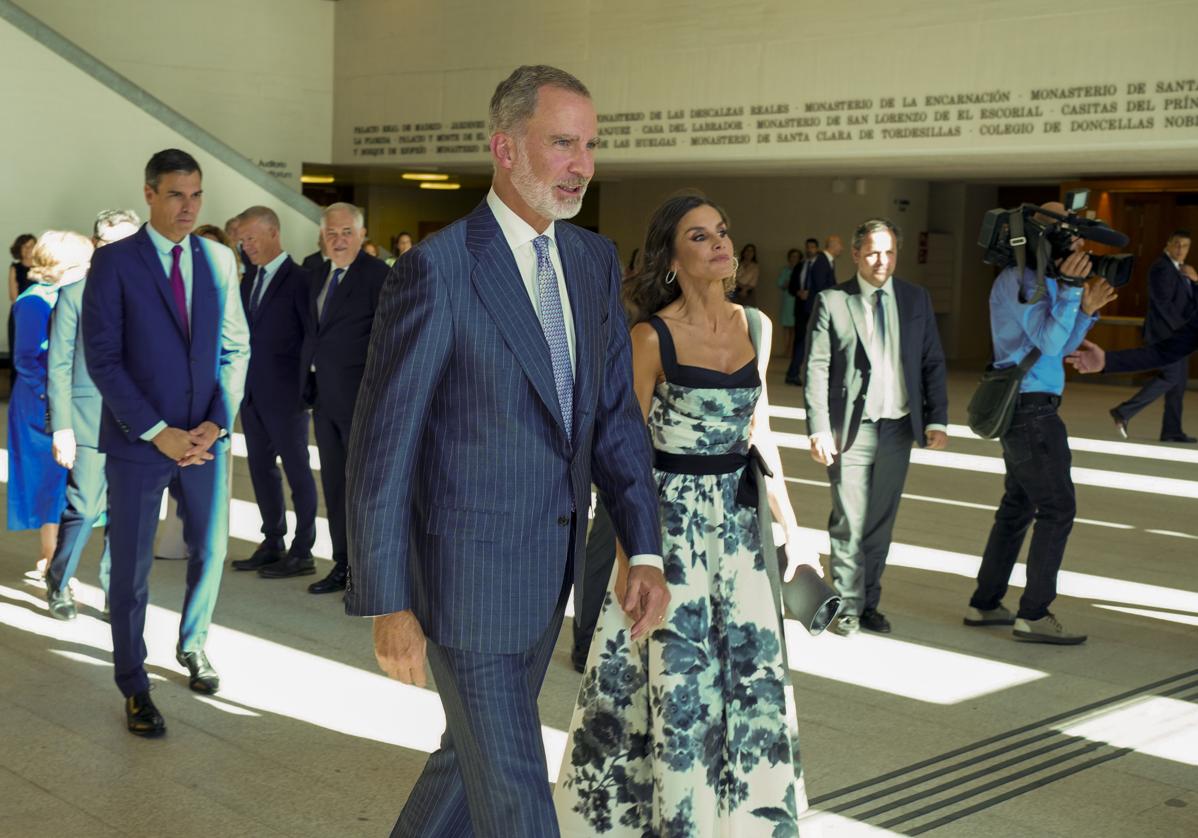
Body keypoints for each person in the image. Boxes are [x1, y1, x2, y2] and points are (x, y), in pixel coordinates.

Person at [345, 65, 665, 837]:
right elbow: (382, 449)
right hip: (464, 588)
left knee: (469, 764)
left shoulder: (590, 263)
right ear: (505, 148)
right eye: (562, 143)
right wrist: (389, 601)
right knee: (519, 804)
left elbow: (615, 420)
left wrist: (644, 549)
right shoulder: (440, 269)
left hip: (543, 579)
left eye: (590, 145)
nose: (581, 164)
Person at [555, 194, 814, 835]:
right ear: (672, 259)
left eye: (722, 231)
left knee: (745, 682)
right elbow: (622, 455)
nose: (720, 244)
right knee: (677, 689)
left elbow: (762, 433)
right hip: (669, 532)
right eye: (700, 236)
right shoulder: (650, 337)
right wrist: (629, 561)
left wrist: (794, 532)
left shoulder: (757, 325)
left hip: (739, 536)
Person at [83, 148, 250, 736]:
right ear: (150, 194)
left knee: (209, 549)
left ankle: (194, 645)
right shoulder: (115, 263)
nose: (189, 206)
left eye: (197, 195)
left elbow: (235, 348)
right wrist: (159, 432)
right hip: (140, 442)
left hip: (206, 438)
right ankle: (133, 681)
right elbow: (102, 357)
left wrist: (216, 423)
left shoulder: (218, 259)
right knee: (129, 567)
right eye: (177, 195)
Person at [965, 203, 1117, 646]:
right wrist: (1071, 291)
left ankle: (986, 602)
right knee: (1058, 508)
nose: (1073, 239)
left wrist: (1084, 307)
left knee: (1018, 507)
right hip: (1031, 411)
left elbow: (1060, 346)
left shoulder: (1046, 280)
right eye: (1062, 228)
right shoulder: (1018, 280)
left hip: (1034, 405)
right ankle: (1033, 613)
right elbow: (1049, 339)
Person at [805, 219, 949, 636]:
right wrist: (818, 427)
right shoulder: (833, 301)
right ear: (855, 255)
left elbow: (932, 361)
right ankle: (847, 606)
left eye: (888, 253)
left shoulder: (914, 298)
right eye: (872, 253)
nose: (881, 261)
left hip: (899, 427)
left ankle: (868, 601)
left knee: (880, 521)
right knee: (849, 519)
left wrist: (936, 417)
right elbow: (816, 367)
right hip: (851, 429)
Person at [44, 210, 140, 621]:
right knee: (84, 507)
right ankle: (59, 579)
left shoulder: (150, 293)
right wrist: (61, 426)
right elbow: (59, 365)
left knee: (126, 511)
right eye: (114, 244)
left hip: (138, 421)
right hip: (86, 419)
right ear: (97, 245)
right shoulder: (74, 292)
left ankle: (114, 590)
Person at [299, 202, 388, 594]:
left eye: (346, 233)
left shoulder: (378, 277)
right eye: (332, 233)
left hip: (362, 404)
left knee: (365, 492)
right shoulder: (316, 273)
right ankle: (342, 565)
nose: (338, 240)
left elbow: (389, 341)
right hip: (325, 402)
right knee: (335, 487)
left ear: (362, 235)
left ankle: (368, 575)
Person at [231, 206, 319, 578]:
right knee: (261, 470)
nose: (245, 245)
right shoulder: (249, 279)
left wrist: (304, 390)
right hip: (252, 394)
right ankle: (272, 540)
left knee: (297, 472)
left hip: (286, 395)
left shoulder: (301, 279)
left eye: (250, 237)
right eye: (242, 239)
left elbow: (310, 336)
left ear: (272, 233)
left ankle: (303, 550)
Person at [8, 232, 87, 577]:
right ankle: (50, 557)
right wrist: (57, 398)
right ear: (60, 265)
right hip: (39, 407)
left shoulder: (65, 295)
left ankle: (53, 559)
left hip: (59, 401)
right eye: (83, 263)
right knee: (48, 482)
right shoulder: (34, 301)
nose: (89, 268)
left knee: (63, 482)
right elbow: (26, 360)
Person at [1108, 230, 1195, 442]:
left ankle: (1172, 431)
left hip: (1178, 336)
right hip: (1165, 335)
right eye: (1177, 244)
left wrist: (1195, 280)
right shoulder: (1161, 268)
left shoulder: (1182, 270)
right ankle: (1123, 412)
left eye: (1185, 246)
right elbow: (1162, 304)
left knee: (1179, 383)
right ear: (1168, 244)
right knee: (1171, 377)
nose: (1180, 249)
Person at [786, 235, 837, 385]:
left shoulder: (821, 264)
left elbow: (823, 286)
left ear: (817, 248)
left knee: (812, 342)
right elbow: (791, 287)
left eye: (813, 247)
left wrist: (810, 294)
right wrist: (798, 292)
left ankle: (799, 372)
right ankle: (793, 372)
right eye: (808, 247)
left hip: (814, 307)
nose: (810, 250)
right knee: (800, 340)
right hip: (801, 308)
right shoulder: (800, 266)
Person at [8, 232, 36, 389]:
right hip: (19, 315)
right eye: (25, 246)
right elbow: (13, 296)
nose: (28, 249)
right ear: (19, 249)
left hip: (39, 315)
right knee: (17, 354)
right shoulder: (15, 268)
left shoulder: (41, 268)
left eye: (32, 246)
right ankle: (16, 391)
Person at [776, 247, 800, 356]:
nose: (794, 258)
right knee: (786, 327)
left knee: (795, 328)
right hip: (787, 300)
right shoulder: (786, 270)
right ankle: (786, 350)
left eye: (796, 256)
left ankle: (792, 350)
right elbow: (781, 284)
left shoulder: (801, 270)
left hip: (797, 301)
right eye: (792, 256)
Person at [731, 241, 758, 306]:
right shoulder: (738, 264)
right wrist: (740, 286)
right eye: (747, 250)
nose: (749, 253)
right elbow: (733, 277)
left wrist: (745, 290)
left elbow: (754, 281)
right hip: (735, 289)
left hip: (748, 291)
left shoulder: (755, 267)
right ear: (744, 252)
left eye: (751, 251)